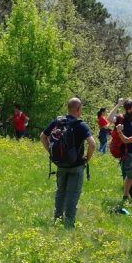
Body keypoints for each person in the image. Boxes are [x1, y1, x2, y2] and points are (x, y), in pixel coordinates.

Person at [41, 97, 96, 228]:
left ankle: (57, 219)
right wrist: (86, 160)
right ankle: (69, 223)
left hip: (60, 164)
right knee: (73, 194)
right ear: (78, 109)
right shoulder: (81, 125)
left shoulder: (58, 122)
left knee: (60, 192)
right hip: (76, 165)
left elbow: (42, 136)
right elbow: (92, 144)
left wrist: (51, 153)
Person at [114, 99, 132, 214]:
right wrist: (118, 105)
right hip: (129, 151)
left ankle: (128, 195)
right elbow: (110, 119)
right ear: (130, 108)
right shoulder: (122, 119)